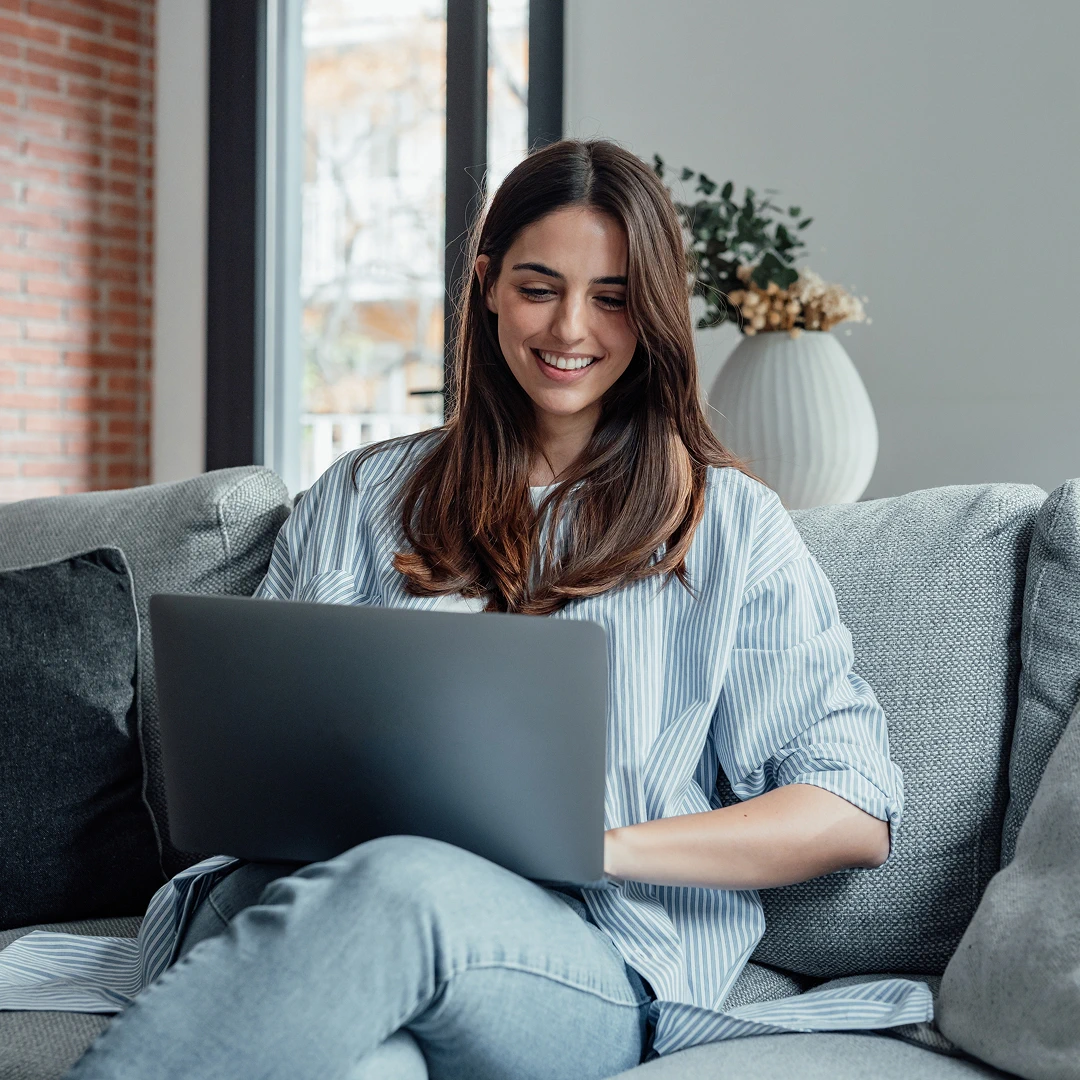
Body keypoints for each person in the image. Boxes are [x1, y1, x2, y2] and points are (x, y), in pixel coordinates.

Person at [61, 139, 930, 1079]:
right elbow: (250, 755)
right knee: (373, 1057)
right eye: (539, 286)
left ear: (656, 312)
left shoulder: (732, 528)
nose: (570, 329)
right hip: (302, 898)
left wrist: (595, 845)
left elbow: (849, 812)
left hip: (580, 952)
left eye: (612, 297)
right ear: (486, 285)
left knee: (401, 886)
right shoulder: (361, 495)